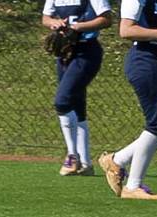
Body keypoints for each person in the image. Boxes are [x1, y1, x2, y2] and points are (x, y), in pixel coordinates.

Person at [98, 1, 157, 200]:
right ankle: (133, 186)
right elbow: (126, 30)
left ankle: (116, 160)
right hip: (145, 60)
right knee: (156, 123)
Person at [41, 0, 113, 176]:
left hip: (86, 52)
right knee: (76, 106)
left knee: (62, 102)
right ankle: (86, 163)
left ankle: (73, 156)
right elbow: (45, 18)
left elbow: (106, 19)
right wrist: (54, 23)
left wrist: (79, 27)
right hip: (65, 52)